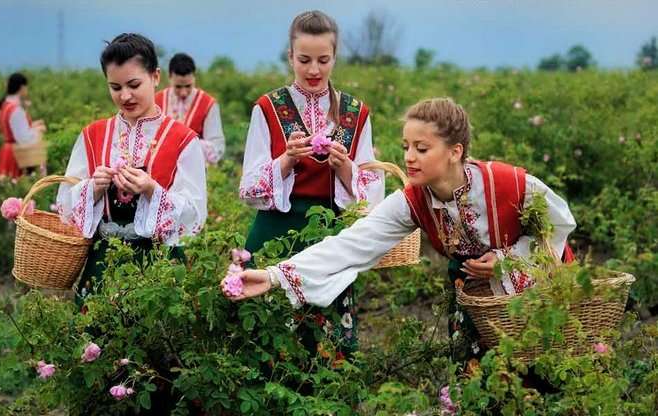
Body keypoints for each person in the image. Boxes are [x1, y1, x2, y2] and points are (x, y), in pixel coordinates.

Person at [225, 97, 576, 361]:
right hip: (471, 296)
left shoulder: (509, 183)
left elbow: (560, 224)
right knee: (479, 389)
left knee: (541, 376)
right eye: (406, 147)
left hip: (537, 292)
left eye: (422, 148)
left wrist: (509, 260)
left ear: (455, 151)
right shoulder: (412, 200)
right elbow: (350, 245)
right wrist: (272, 276)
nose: (409, 157)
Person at [238, 10, 384, 357]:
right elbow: (248, 186)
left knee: (325, 338)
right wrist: (287, 159)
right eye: (304, 60)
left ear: (335, 57)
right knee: (265, 332)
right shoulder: (268, 108)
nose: (314, 70)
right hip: (275, 229)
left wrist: (344, 165)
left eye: (323, 59)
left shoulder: (355, 112)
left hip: (329, 235)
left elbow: (372, 187)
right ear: (290, 56)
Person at [55, 33, 208, 308]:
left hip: (159, 267)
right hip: (102, 263)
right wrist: (94, 187)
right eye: (115, 87)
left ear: (156, 77)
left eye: (134, 84)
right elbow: (65, 204)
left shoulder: (183, 140)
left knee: (154, 345)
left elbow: (194, 216)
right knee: (97, 339)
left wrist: (152, 190)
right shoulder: (93, 135)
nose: (125, 96)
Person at [155, 53, 225, 164]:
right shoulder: (156, 101)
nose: (183, 92)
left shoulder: (208, 104)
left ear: (194, 77)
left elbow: (217, 145)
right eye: (178, 86)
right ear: (169, 78)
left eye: (188, 86)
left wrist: (189, 146)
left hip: (195, 167)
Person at [0, 72, 47, 178]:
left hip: (7, 151)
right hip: (16, 154)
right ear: (22, 87)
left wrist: (32, 126)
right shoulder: (16, 110)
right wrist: (38, 130)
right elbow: (23, 138)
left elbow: (13, 129)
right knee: (17, 188)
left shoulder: (5, 105)